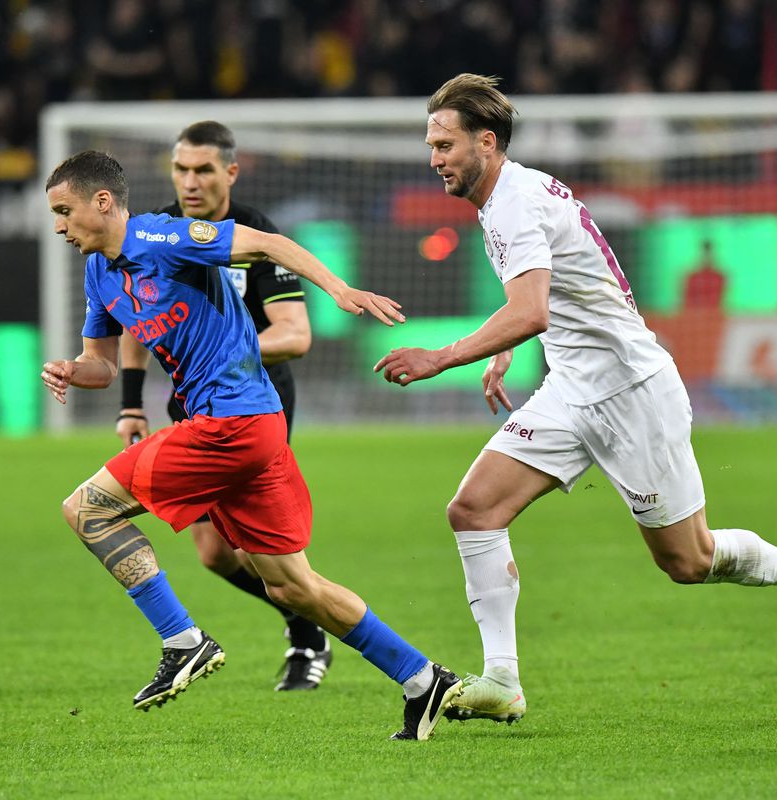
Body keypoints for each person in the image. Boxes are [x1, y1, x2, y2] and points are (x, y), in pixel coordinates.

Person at [375, 74, 777, 725]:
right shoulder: (506, 196)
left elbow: (531, 311)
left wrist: (441, 356)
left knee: (687, 561)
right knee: (473, 510)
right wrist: (504, 348)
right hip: (572, 390)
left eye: (444, 144)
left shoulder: (515, 203)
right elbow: (545, 296)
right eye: (431, 144)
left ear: (486, 142)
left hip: (633, 395)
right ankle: (501, 679)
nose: (433, 157)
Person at [42, 150, 462, 740]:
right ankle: (422, 678)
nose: (59, 226)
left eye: (64, 211)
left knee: (86, 509)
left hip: (229, 423)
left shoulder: (162, 236)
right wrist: (70, 368)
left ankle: (182, 639)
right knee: (292, 586)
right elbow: (101, 365)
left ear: (102, 202)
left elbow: (267, 243)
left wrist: (338, 290)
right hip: (249, 431)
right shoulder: (98, 271)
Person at [114, 121, 330, 693]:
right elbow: (138, 318)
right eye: (181, 169)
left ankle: (313, 636)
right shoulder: (157, 231)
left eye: (204, 169)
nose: (190, 181)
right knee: (213, 553)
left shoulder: (255, 234)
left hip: (256, 404)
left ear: (230, 173)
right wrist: (131, 403)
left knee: (267, 556)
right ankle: (308, 626)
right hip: (194, 408)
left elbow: (295, 333)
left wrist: (219, 349)